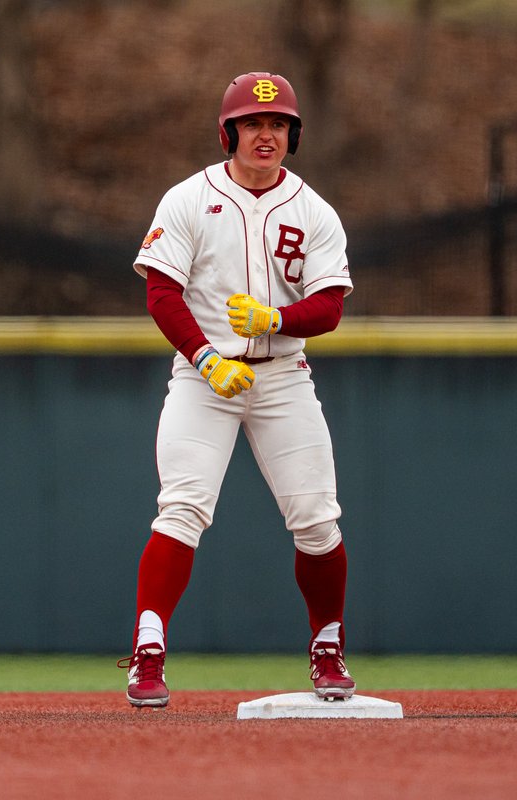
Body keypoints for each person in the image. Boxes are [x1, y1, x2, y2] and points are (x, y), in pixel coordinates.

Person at [119, 72, 355, 708]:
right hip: (206, 377)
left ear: (293, 135)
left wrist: (278, 319)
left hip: (283, 375)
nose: (266, 134)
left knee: (317, 520)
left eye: (278, 124)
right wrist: (202, 355)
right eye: (253, 123)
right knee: (184, 508)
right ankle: (148, 653)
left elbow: (329, 306)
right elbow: (161, 293)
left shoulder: (313, 210)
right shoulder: (188, 199)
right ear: (229, 132)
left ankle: (327, 647)